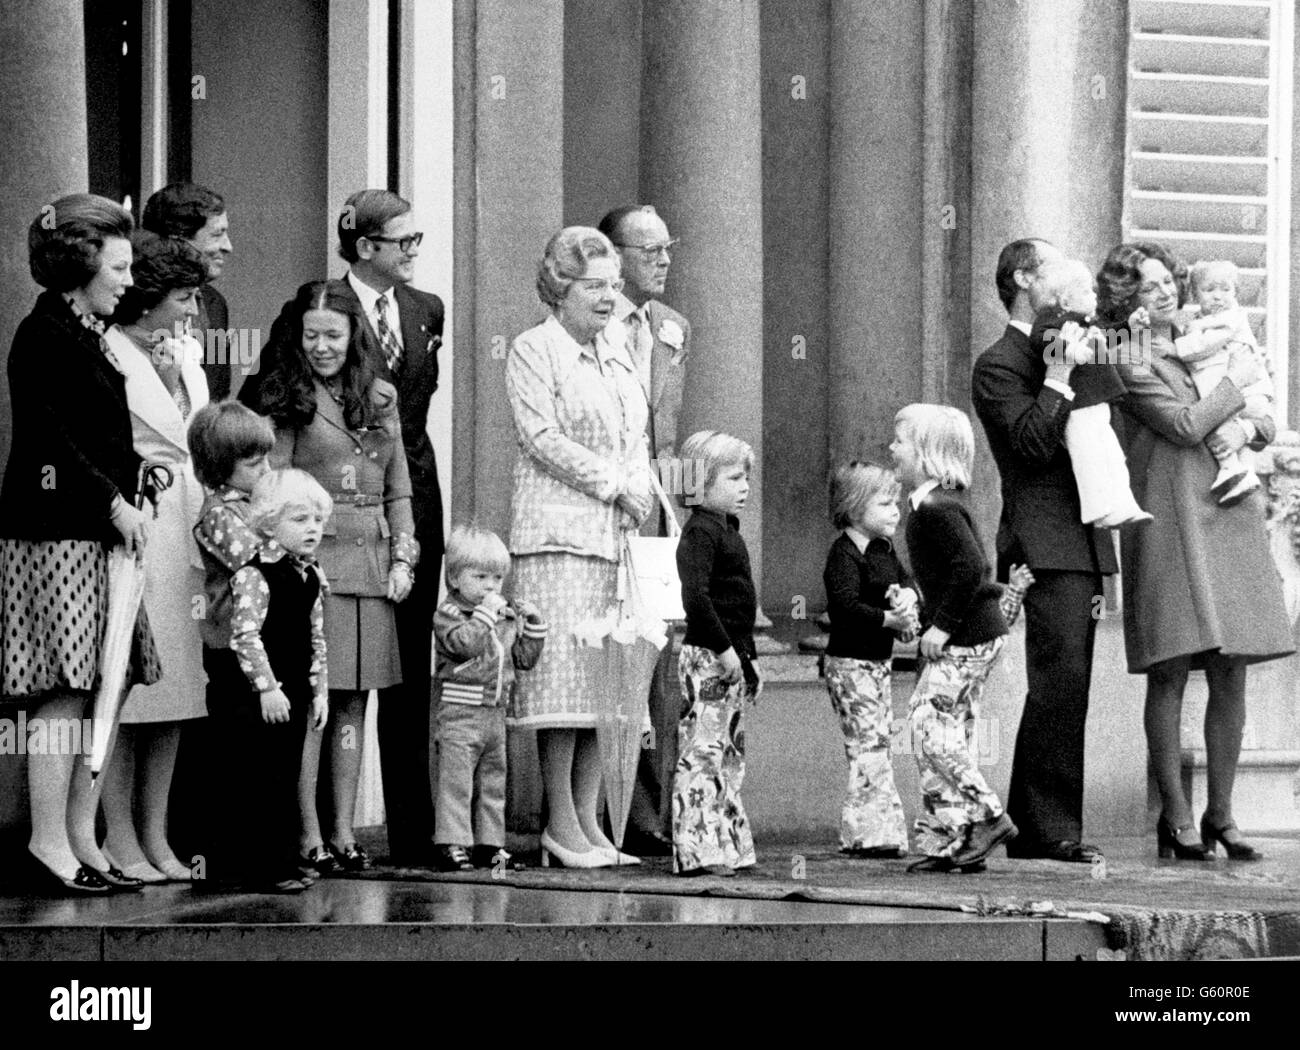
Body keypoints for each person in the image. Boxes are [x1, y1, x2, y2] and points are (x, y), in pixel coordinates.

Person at [244, 190, 445, 867]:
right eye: (314, 336)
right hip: (314, 563)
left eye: (336, 335)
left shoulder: (381, 393)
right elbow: (272, 489)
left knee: (357, 705)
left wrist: (406, 556)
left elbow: (399, 483)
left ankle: (346, 833)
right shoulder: (286, 399)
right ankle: (306, 833)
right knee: (315, 705)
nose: (325, 345)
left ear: (353, 338)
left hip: (375, 564)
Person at [1098, 241, 1293, 861]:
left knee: (1232, 668)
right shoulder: (1125, 357)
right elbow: (1182, 424)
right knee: (1172, 667)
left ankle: (1223, 816)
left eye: (1167, 282)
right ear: (1125, 296)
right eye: (1147, 285)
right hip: (1168, 518)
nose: (1163, 292)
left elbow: (1260, 409)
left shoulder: (1204, 333)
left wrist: (1249, 423)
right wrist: (1232, 391)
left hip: (1228, 508)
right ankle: (1176, 818)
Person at [0, 193, 158, 894]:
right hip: (55, 532)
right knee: (64, 690)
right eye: (119, 265)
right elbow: (47, 440)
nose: (129, 279)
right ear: (81, 262)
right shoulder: (44, 335)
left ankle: (79, 838)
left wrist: (134, 481)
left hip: (96, 531)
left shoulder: (85, 331)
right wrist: (113, 502)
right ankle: (46, 841)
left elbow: (90, 436)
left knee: (104, 682)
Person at [506, 226, 654, 869]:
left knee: (605, 688)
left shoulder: (619, 346)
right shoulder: (533, 349)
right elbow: (540, 436)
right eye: (594, 287)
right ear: (560, 289)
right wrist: (615, 483)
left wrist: (644, 487)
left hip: (615, 538)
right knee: (563, 690)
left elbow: (635, 433)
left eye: (614, 287)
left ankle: (593, 824)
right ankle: (560, 826)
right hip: (557, 537)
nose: (608, 299)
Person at [971, 237, 1116, 864]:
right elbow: (1031, 443)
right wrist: (1057, 375)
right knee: (1055, 680)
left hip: (1080, 533)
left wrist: (1093, 338)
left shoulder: (1069, 336)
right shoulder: (998, 362)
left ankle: (1041, 824)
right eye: (1056, 263)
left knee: (1070, 682)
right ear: (1026, 277)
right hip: (1040, 534)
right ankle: (1046, 827)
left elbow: (1117, 395)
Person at [99, 231, 211, 883]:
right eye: (185, 298)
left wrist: (174, 378)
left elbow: (193, 433)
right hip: (136, 529)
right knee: (130, 692)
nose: (194, 311)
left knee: (175, 694)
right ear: (150, 299)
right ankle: (119, 837)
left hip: (183, 530)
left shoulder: (185, 354)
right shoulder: (107, 351)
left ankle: (156, 835)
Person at [597, 204, 690, 855]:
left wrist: (680, 510)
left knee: (664, 664)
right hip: (603, 512)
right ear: (612, 255)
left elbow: (669, 437)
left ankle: (660, 811)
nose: (663, 259)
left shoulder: (672, 327)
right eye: (648, 248)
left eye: (667, 247)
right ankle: (611, 809)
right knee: (611, 660)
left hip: (660, 515)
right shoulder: (590, 327)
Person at [891, 405, 1020, 873]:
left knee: (926, 727)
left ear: (926, 454)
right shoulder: (933, 506)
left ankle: (986, 815)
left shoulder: (935, 509)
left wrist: (941, 626)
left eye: (900, 440)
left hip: (966, 636)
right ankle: (954, 839)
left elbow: (972, 568)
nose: (891, 448)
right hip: (977, 635)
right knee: (952, 731)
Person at [200, 468, 331, 893]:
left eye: (316, 520)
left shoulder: (310, 576)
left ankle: (280, 859)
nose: (312, 528)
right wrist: (267, 687)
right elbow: (245, 635)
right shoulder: (254, 575)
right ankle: (250, 865)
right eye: (299, 520)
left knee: (284, 775)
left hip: (293, 692)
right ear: (270, 524)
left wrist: (319, 690)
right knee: (252, 776)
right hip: (256, 695)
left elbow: (316, 637)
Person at [431, 525, 547, 873]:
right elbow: (465, 644)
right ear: (454, 578)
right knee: (457, 783)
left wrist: (534, 626)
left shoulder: (501, 616)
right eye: (479, 576)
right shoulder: (448, 615)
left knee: (493, 784)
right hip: (459, 712)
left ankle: (491, 847)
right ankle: (451, 843)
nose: (490, 586)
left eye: (497, 578)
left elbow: (523, 660)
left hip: (495, 714)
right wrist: (485, 615)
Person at [672, 430, 760, 877]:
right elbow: (697, 598)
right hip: (707, 658)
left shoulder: (728, 529)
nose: (744, 487)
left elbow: (739, 602)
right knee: (702, 754)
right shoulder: (701, 533)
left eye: (746, 478)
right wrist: (725, 649)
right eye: (732, 478)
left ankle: (728, 843)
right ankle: (697, 847)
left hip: (730, 657)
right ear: (700, 482)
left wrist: (748, 655)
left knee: (729, 754)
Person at [820, 462, 916, 858]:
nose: (896, 510)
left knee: (877, 743)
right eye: (885, 503)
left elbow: (904, 582)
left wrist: (907, 599)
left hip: (877, 662)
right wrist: (887, 619)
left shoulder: (884, 550)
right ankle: (867, 833)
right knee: (866, 745)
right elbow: (844, 608)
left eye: (896, 502)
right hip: (849, 663)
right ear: (856, 507)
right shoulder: (843, 554)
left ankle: (879, 831)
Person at [1029, 257, 1150, 527]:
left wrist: (1130, 328)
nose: (1094, 296)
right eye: (1085, 291)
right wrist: (1071, 350)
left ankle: (1122, 503)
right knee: (1089, 456)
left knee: (1112, 455)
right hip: (1078, 405)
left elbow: (1107, 337)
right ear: (1065, 302)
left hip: (1096, 403)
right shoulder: (1051, 323)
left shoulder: (1085, 326)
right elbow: (1043, 342)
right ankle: (1097, 509)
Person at [1175, 259, 1274, 505]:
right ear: (1195, 294)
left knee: (1220, 413)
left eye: (1225, 289)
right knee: (1235, 424)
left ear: (1236, 292)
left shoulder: (1230, 319)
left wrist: (1178, 347)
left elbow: (1200, 347)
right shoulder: (1205, 320)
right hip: (1251, 395)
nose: (1218, 297)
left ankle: (1230, 467)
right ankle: (1246, 473)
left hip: (1250, 394)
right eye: (1209, 290)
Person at [142, 182, 234, 398]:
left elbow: (218, 391)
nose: (228, 247)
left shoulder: (215, 304)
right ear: (179, 240)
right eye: (217, 234)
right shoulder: (127, 308)